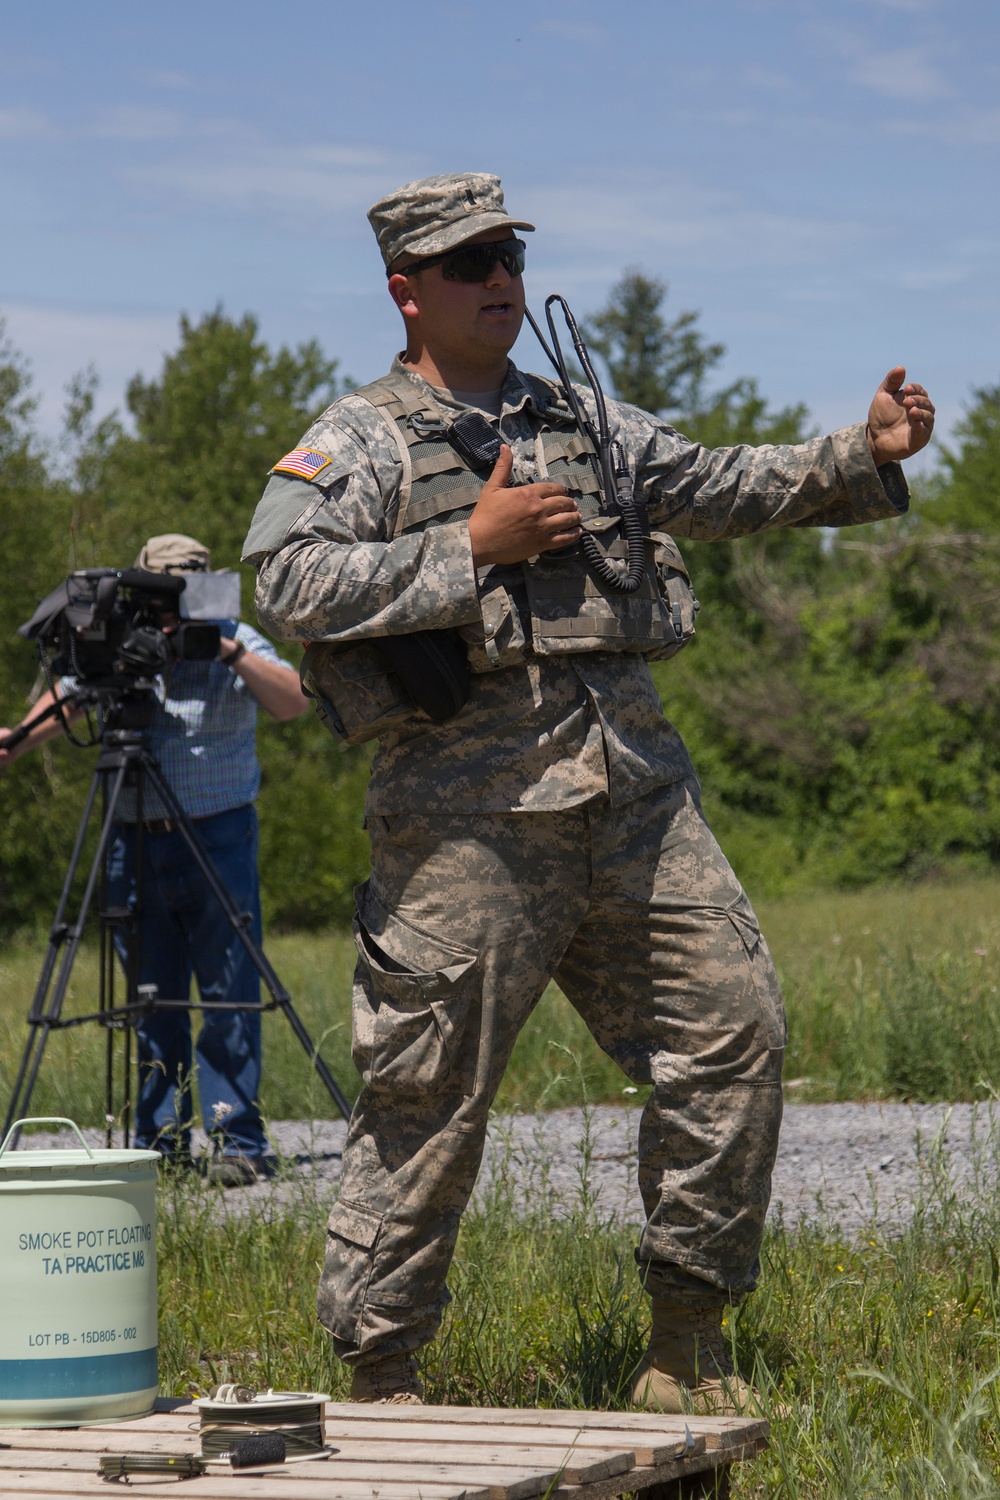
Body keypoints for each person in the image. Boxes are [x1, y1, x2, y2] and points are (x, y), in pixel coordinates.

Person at [242, 173, 935, 1408]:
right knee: (427, 1093)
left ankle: (686, 1345)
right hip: (466, 820)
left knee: (735, 1035)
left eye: (507, 252)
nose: (498, 276)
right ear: (407, 291)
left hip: (635, 797)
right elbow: (286, 582)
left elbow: (715, 483)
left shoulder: (581, 416)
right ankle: (382, 1372)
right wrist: (471, 545)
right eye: (467, 263)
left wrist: (858, 453)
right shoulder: (359, 439)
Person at [0, 533, 309, 1186]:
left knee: (229, 993)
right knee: (149, 1000)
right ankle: (159, 1140)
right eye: (158, 597)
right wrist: (18, 741)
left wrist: (219, 649)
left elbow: (294, 701)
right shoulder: (119, 638)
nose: (167, 617)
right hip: (133, 840)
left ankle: (237, 1141)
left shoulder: (233, 635)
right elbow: (72, 696)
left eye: (181, 597)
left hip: (218, 837)